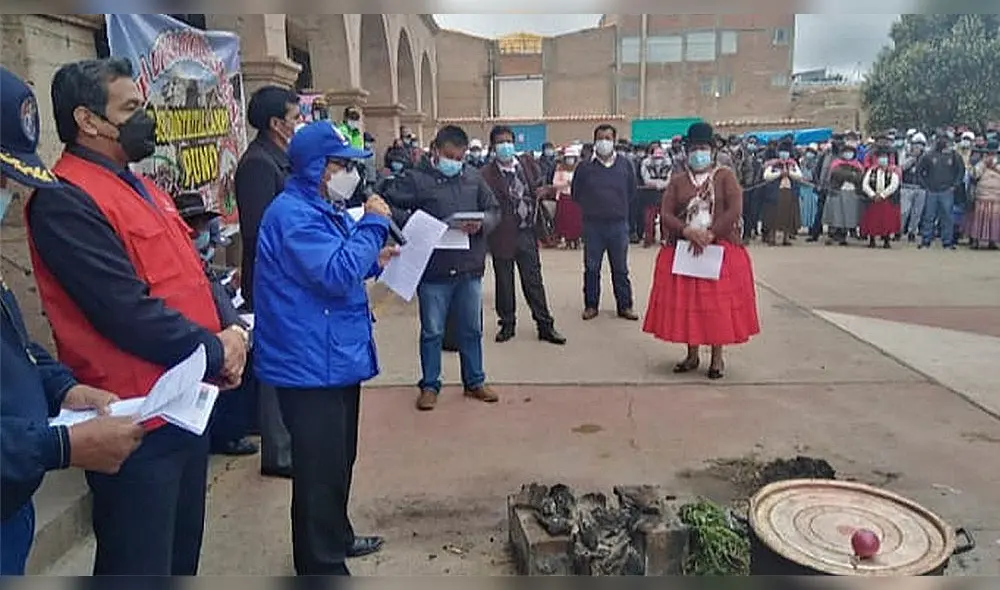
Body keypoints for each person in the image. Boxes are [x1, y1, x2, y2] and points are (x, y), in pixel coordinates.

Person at [26, 57, 250, 575]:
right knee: (138, 563)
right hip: (133, 419)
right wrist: (216, 348)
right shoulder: (66, 200)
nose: (145, 118)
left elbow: (195, 271)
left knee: (179, 556)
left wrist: (232, 329)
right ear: (88, 121)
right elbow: (124, 311)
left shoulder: (142, 186)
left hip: (186, 402)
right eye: (130, 108)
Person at [0, 66, 144, 576]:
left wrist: (60, 388)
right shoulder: (71, 202)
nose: (6, 193)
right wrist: (59, 445)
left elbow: (13, 348)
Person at [254, 121, 396, 576]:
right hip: (308, 361)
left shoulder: (324, 209)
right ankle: (319, 565)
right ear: (317, 166)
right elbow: (333, 273)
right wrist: (374, 224)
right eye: (340, 165)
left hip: (334, 354)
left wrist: (374, 260)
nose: (348, 174)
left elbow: (336, 271)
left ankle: (337, 536)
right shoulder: (292, 215)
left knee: (338, 460)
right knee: (318, 470)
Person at [385, 126, 501, 412]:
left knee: (472, 329)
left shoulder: (473, 178)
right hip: (433, 269)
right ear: (436, 151)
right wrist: (417, 222)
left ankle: (474, 380)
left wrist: (482, 223)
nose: (455, 162)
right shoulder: (415, 179)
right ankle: (429, 384)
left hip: (468, 268)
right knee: (432, 331)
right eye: (449, 156)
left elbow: (494, 210)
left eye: (459, 157)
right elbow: (386, 203)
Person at [643, 122, 760, 379]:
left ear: (713, 150)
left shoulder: (724, 177)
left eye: (703, 148)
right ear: (687, 150)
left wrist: (711, 233)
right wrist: (686, 231)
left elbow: (734, 209)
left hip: (718, 249)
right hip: (686, 249)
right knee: (689, 305)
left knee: (716, 306)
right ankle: (692, 354)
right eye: (694, 148)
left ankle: (717, 358)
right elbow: (667, 213)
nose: (699, 153)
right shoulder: (678, 181)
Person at [234, 85, 299, 479]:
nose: (298, 125)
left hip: (284, 280)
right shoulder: (259, 164)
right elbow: (260, 232)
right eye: (294, 118)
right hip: (272, 282)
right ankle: (279, 452)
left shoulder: (279, 159)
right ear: (276, 124)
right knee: (275, 364)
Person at [173, 191, 257, 457]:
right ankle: (225, 435)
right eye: (193, 225)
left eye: (202, 225)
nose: (199, 232)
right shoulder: (176, 255)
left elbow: (216, 292)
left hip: (218, 329)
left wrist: (235, 328)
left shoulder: (200, 259)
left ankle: (234, 430)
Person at [480, 126, 565, 345]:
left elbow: (541, 186)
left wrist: (544, 191)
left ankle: (545, 325)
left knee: (534, 281)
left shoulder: (527, 164)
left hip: (526, 232)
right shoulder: (486, 174)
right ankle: (507, 323)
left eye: (509, 141)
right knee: (504, 282)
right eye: (500, 143)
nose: (505, 146)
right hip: (501, 235)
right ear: (493, 146)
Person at [571, 124, 639, 322]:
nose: (604, 142)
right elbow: (576, 194)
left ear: (614, 141)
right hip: (593, 226)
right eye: (600, 138)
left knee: (620, 268)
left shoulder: (625, 165)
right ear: (594, 142)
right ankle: (591, 305)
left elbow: (632, 191)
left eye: (608, 138)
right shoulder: (584, 167)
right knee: (592, 268)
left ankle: (625, 306)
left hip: (618, 225)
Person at [916, 135, 965, 249]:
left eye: (944, 140)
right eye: (939, 140)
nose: (942, 142)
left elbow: (961, 171)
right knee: (929, 216)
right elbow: (919, 171)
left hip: (947, 191)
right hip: (931, 191)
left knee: (947, 217)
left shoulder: (953, 155)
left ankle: (947, 242)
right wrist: (925, 185)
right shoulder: (928, 155)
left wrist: (955, 185)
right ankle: (926, 240)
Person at [761, 140, 803, 246]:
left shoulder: (792, 164)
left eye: (786, 151)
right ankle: (772, 237)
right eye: (782, 151)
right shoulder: (773, 164)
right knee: (773, 216)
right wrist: (779, 174)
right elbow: (766, 176)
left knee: (787, 216)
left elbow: (799, 176)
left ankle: (786, 237)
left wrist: (789, 173)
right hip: (775, 193)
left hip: (788, 192)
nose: (784, 154)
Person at [860, 147, 902, 249]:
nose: (882, 159)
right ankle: (872, 240)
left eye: (884, 157)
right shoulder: (871, 170)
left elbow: (894, 185)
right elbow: (865, 184)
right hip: (873, 199)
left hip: (886, 199)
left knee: (886, 221)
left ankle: (886, 240)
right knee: (872, 221)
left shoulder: (893, 171)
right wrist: (872, 194)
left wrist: (882, 195)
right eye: (880, 157)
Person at [823, 144, 865, 246]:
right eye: (846, 152)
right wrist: (851, 175)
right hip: (838, 191)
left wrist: (847, 175)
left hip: (851, 192)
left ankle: (843, 236)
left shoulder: (858, 165)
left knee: (848, 215)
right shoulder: (836, 164)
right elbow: (837, 174)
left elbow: (860, 178)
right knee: (836, 214)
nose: (848, 154)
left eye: (850, 152)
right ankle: (832, 235)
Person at [968, 140, 1000, 250]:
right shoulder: (986, 163)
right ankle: (988, 241)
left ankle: (982, 241)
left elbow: (974, 174)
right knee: (990, 219)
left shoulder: (982, 162)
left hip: (989, 194)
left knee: (984, 219)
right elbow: (974, 174)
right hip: (991, 194)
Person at [638, 146, 671, 247]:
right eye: (656, 158)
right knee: (649, 218)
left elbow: (669, 177)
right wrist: (657, 184)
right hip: (649, 193)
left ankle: (665, 238)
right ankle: (649, 238)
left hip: (664, 193)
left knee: (665, 217)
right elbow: (645, 178)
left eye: (660, 158)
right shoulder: (646, 163)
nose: (658, 161)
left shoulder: (668, 162)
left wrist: (662, 185)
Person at [899, 133, 927, 243]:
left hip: (920, 187)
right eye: (916, 144)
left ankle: (912, 232)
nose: (918, 147)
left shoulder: (926, 157)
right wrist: (913, 157)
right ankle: (899, 231)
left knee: (917, 213)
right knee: (904, 212)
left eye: (921, 144)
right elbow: (901, 167)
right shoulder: (905, 154)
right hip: (907, 186)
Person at [553, 145, 584, 249]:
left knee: (576, 220)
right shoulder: (560, 169)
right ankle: (565, 239)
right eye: (568, 158)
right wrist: (566, 183)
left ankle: (576, 239)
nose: (570, 160)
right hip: (564, 197)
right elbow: (555, 183)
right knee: (564, 220)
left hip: (576, 197)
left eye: (572, 157)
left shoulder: (579, 169)